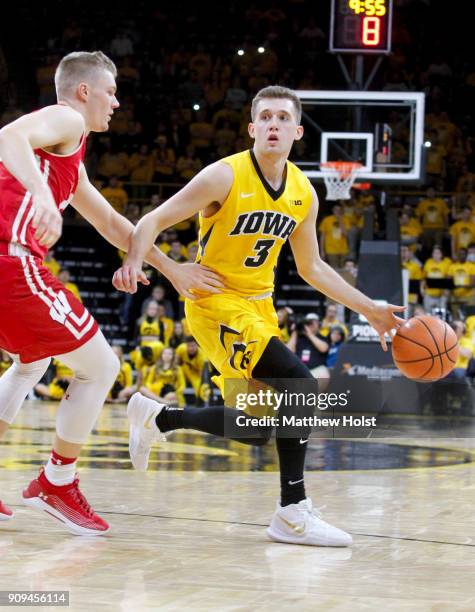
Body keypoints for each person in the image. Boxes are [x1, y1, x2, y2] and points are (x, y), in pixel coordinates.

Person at [113, 85, 404, 547]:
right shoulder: (223, 176)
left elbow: (312, 268)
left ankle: (158, 419)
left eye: (282, 118)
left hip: (259, 307)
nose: (273, 124)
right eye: (265, 117)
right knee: (301, 384)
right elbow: (150, 222)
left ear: (297, 131)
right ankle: (292, 512)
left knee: (257, 427)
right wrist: (156, 267)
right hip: (215, 303)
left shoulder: (304, 192)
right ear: (252, 128)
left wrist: (369, 308)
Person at [0, 51, 222, 530]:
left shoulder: (71, 159)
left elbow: (110, 223)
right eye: (111, 91)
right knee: (102, 366)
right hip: (9, 262)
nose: (116, 103)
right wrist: (41, 195)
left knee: (31, 362)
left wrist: (166, 267)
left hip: (9, 264)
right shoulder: (66, 120)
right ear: (85, 91)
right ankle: (57, 482)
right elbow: (7, 136)